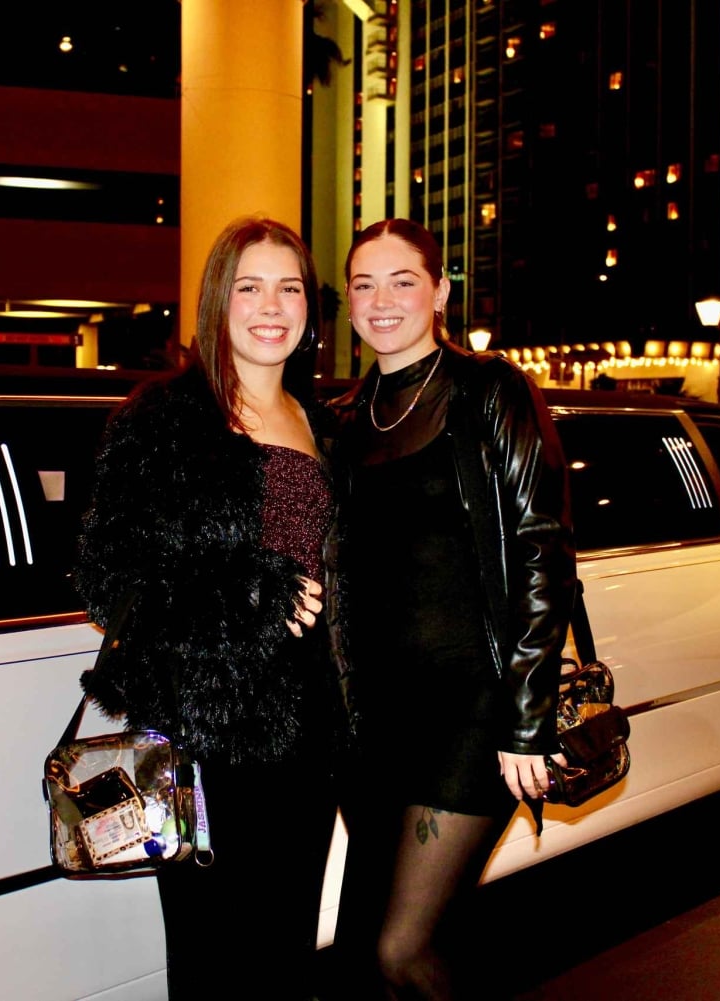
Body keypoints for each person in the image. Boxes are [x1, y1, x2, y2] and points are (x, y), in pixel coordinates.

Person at [76, 216, 347, 999]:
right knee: (213, 956)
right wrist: (249, 592)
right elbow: (106, 572)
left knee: (287, 948)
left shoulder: (322, 420)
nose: (272, 306)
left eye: (289, 288)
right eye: (250, 287)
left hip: (311, 727)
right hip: (205, 732)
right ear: (217, 302)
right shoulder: (165, 417)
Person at [329, 218, 577, 1000]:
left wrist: (528, 718)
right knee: (363, 956)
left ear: (439, 291)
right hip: (374, 721)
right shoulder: (343, 418)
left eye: (403, 280)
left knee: (403, 949)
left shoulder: (489, 390)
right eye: (364, 284)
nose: (383, 300)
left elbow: (542, 547)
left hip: (474, 708)